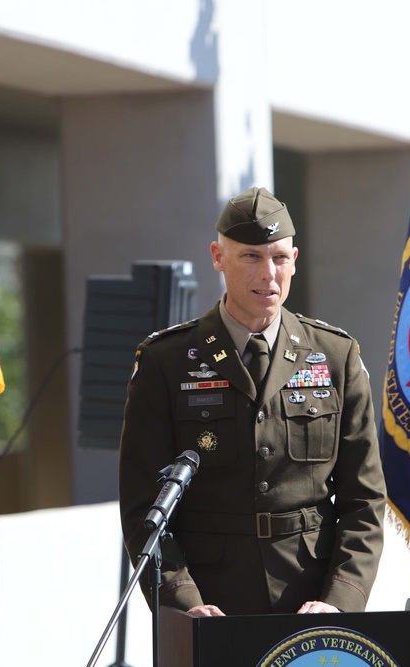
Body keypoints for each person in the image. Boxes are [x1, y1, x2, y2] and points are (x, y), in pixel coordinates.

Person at [118, 186, 387, 618]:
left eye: (279, 258)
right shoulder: (165, 361)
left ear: (294, 262)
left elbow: (365, 500)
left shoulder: (336, 356)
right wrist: (183, 602)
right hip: (210, 603)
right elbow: (142, 508)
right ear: (217, 257)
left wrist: (341, 599)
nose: (268, 273)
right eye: (251, 257)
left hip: (311, 598)